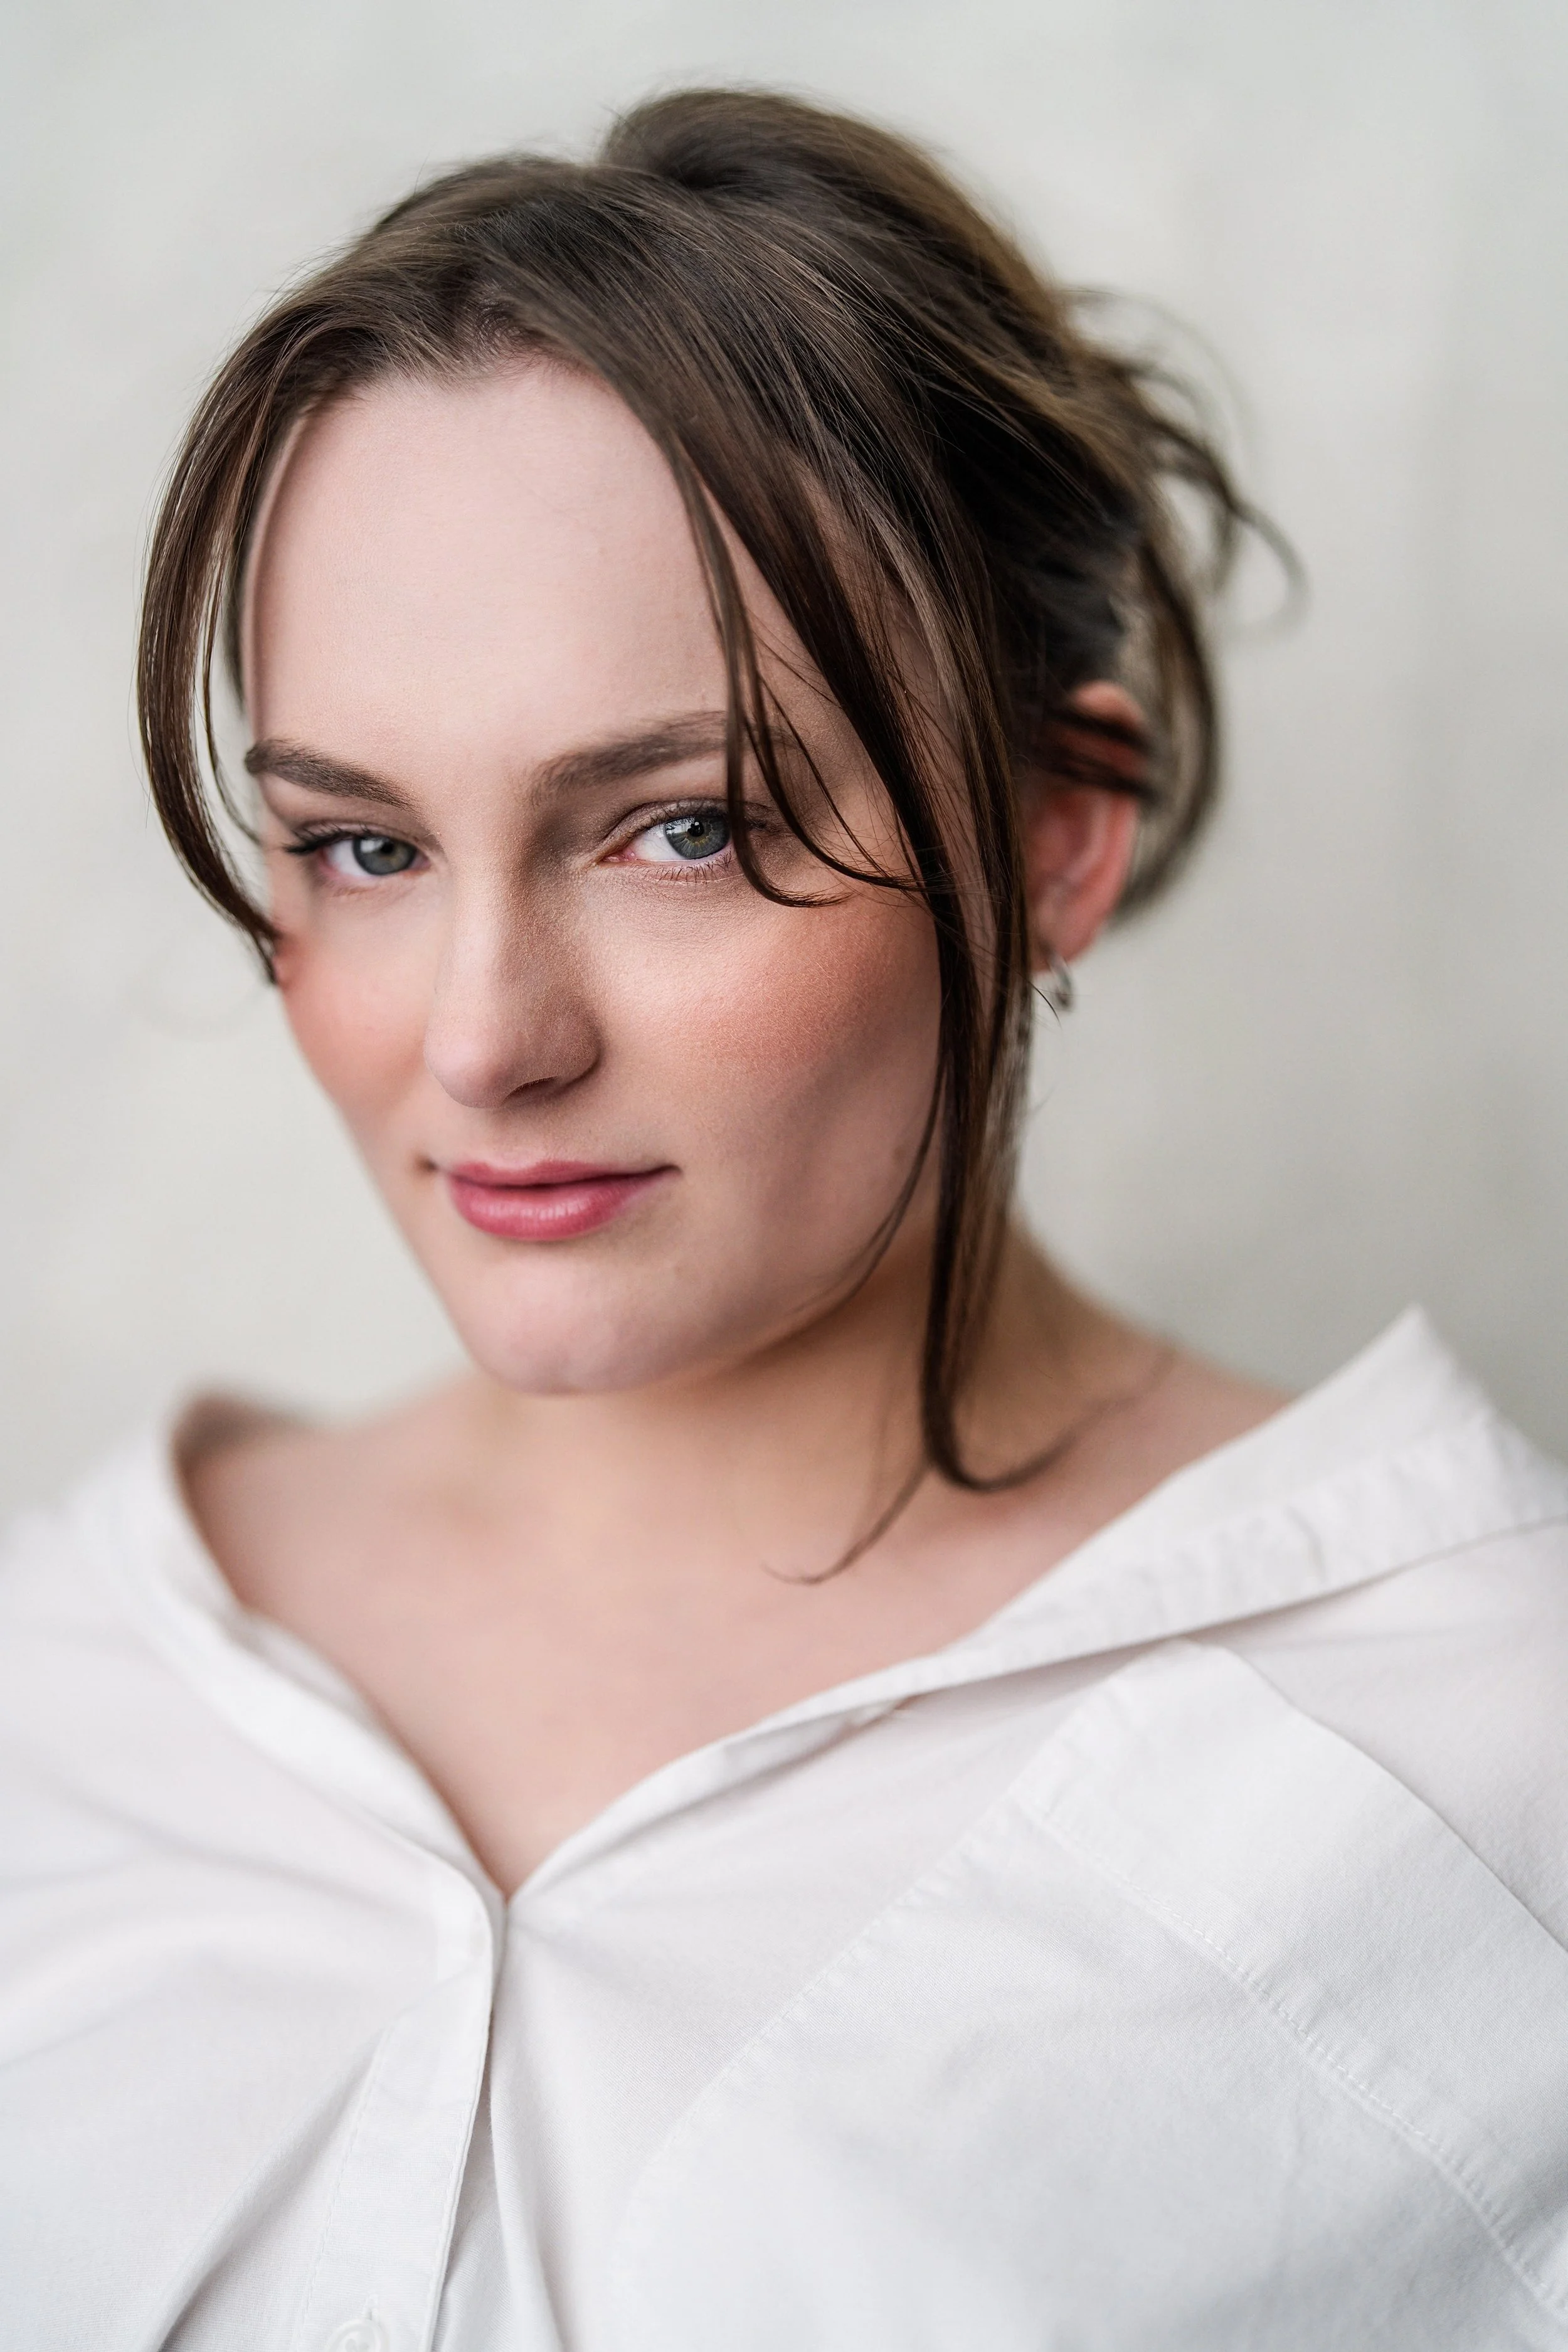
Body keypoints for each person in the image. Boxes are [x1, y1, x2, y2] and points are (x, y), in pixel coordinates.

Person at [3, 85, 1566, 2352]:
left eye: (682, 829)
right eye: (365, 845)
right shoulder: (64, 1673)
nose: (484, 1039)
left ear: (1056, 827)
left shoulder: (1478, 1749)